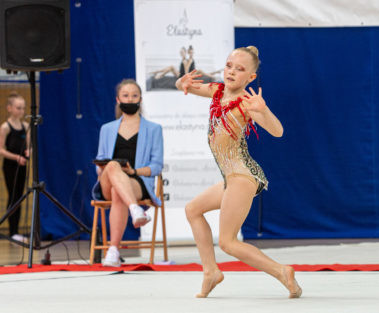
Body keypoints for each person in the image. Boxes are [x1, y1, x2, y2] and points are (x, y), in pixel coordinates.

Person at [175, 46, 302, 298]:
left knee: (228, 242)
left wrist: (263, 110)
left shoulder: (246, 103)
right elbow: (187, 87)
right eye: (229, 65)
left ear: (251, 78)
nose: (231, 71)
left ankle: (281, 271)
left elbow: (278, 131)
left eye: (240, 69)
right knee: (193, 210)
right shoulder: (217, 91)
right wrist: (181, 81)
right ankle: (211, 271)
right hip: (230, 178)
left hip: (242, 176)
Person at [93, 79, 163, 267]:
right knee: (113, 166)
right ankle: (135, 209)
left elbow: (156, 166)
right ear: (118, 99)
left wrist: (134, 171)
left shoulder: (154, 129)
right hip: (108, 180)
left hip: (137, 181)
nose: (130, 99)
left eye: (134, 96)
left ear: (140, 99)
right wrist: (104, 167)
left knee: (119, 192)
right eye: (126, 95)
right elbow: (99, 161)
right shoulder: (106, 129)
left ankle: (113, 250)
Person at [0, 92, 30, 243]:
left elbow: (30, 146)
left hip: (23, 165)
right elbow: (1, 149)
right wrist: (16, 157)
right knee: (13, 196)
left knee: (20, 196)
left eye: (23, 108)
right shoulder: (5, 127)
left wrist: (28, 152)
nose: (21, 111)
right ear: (9, 108)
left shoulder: (26, 126)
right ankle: (12, 231)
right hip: (11, 166)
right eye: (18, 108)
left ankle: (16, 231)